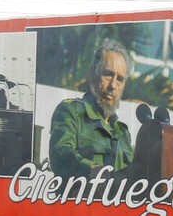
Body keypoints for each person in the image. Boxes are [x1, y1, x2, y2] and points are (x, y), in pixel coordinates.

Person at [49, 39, 134, 179]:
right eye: (108, 74)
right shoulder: (71, 111)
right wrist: (91, 169)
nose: (113, 86)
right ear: (93, 73)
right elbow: (60, 153)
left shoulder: (123, 133)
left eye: (120, 79)